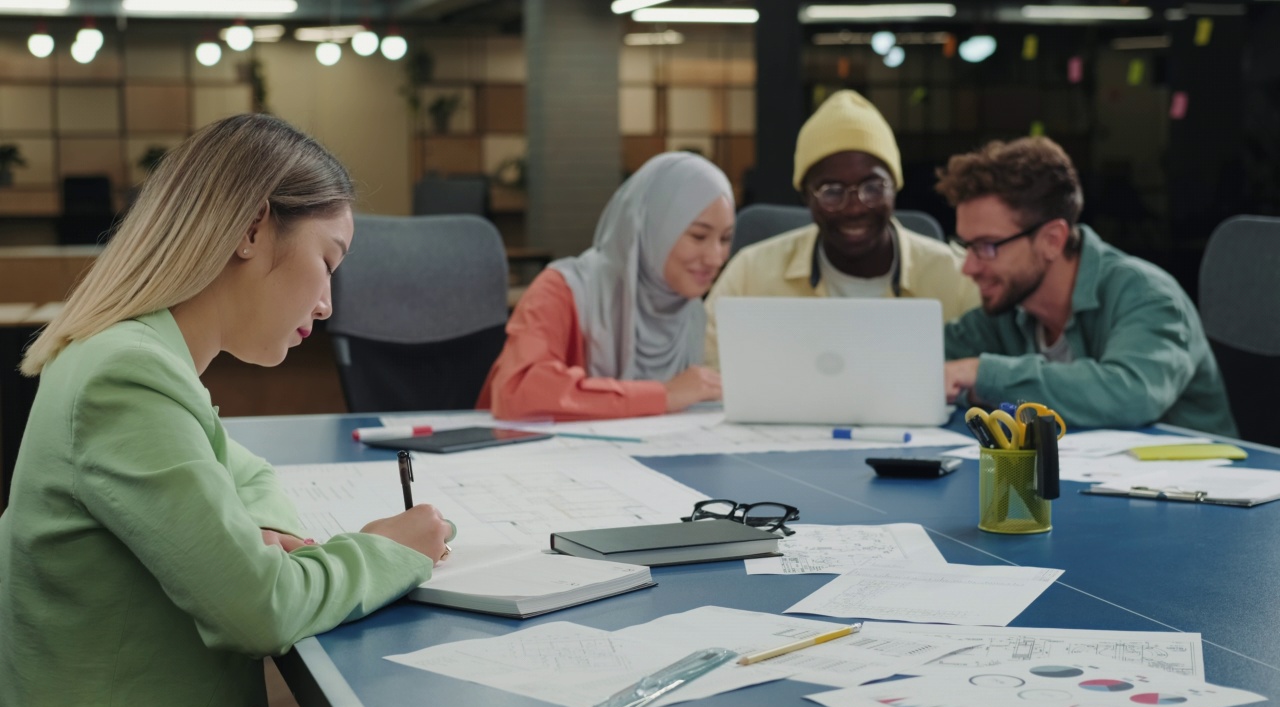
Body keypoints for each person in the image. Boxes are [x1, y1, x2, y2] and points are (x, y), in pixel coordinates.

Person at [0, 114, 455, 707]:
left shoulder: (135, 355)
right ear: (252, 228)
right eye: (326, 261)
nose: (326, 306)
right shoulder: (126, 377)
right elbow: (260, 610)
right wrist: (390, 550)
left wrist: (261, 535)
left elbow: (249, 473)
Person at [938, 136, 1237, 435]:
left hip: (1191, 477)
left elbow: (1131, 394)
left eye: (987, 246)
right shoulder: (1012, 307)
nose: (969, 267)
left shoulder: (1148, 295)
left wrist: (982, 375)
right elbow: (932, 357)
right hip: (1085, 477)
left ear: (1052, 240)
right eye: (966, 246)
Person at [703, 90, 979, 368]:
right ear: (805, 196)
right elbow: (707, 374)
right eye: (832, 191)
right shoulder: (750, 274)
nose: (855, 207)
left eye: (872, 188)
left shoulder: (958, 279)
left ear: (895, 187)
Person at [478, 152, 734, 420]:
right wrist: (663, 395)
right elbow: (517, 392)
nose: (715, 258)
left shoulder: (689, 310)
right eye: (699, 236)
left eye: (726, 238)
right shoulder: (562, 291)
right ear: (652, 229)